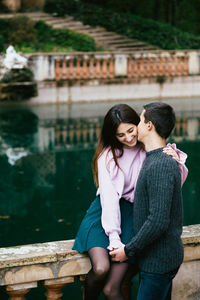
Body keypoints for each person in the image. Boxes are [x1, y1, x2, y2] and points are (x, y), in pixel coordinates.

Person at [72, 103, 188, 300]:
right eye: (120, 135)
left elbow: (168, 189)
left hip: (134, 216)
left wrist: (176, 160)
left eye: (131, 130)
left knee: (112, 287)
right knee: (100, 268)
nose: (128, 138)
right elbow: (109, 201)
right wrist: (114, 238)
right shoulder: (108, 155)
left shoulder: (149, 150)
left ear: (141, 125)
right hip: (105, 215)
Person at [110, 102, 186, 300]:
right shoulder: (156, 158)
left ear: (150, 125)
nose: (137, 126)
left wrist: (128, 250)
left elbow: (158, 220)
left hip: (158, 262)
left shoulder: (160, 164)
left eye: (141, 120)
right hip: (158, 260)